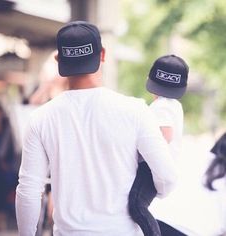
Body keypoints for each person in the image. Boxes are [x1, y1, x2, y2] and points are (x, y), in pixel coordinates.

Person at [15, 21, 178, 236]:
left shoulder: (41, 118)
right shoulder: (135, 110)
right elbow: (167, 177)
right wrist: (150, 196)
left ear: (58, 60)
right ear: (102, 54)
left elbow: (28, 191)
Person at [129, 55, 189, 236]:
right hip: (162, 164)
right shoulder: (174, 105)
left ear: (150, 80)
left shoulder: (161, 106)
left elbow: (164, 135)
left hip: (152, 166)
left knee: (136, 205)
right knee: (137, 203)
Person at [0, 100, 19, 230]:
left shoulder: (7, 130)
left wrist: (8, 167)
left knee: (2, 200)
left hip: (2, 172)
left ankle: (0, 226)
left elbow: (13, 151)